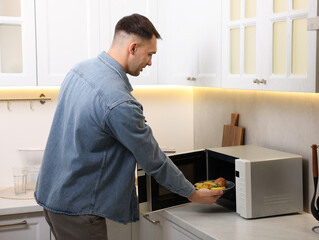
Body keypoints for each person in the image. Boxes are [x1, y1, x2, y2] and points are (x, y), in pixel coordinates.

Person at [34, 13, 223, 240]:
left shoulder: (79, 70)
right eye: (150, 54)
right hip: (79, 209)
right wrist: (192, 193)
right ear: (133, 47)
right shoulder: (120, 103)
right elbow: (154, 160)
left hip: (52, 197)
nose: (151, 62)